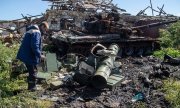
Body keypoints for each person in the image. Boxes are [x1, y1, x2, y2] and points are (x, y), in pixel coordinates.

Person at [16, 21, 49, 91]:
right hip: (28, 55)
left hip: (26, 54)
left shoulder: (31, 30)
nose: (45, 32)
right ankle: (32, 88)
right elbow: (34, 45)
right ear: (42, 26)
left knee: (34, 69)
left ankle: (38, 80)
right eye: (45, 29)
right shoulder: (36, 32)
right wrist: (39, 55)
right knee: (32, 71)